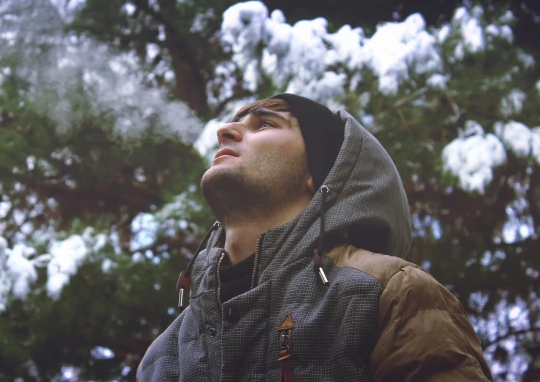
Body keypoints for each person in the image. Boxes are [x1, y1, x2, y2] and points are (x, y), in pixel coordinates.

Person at [137, 94, 492, 381]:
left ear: (319, 173)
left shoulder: (389, 293)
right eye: (235, 123)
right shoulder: (161, 357)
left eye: (265, 123)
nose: (226, 131)